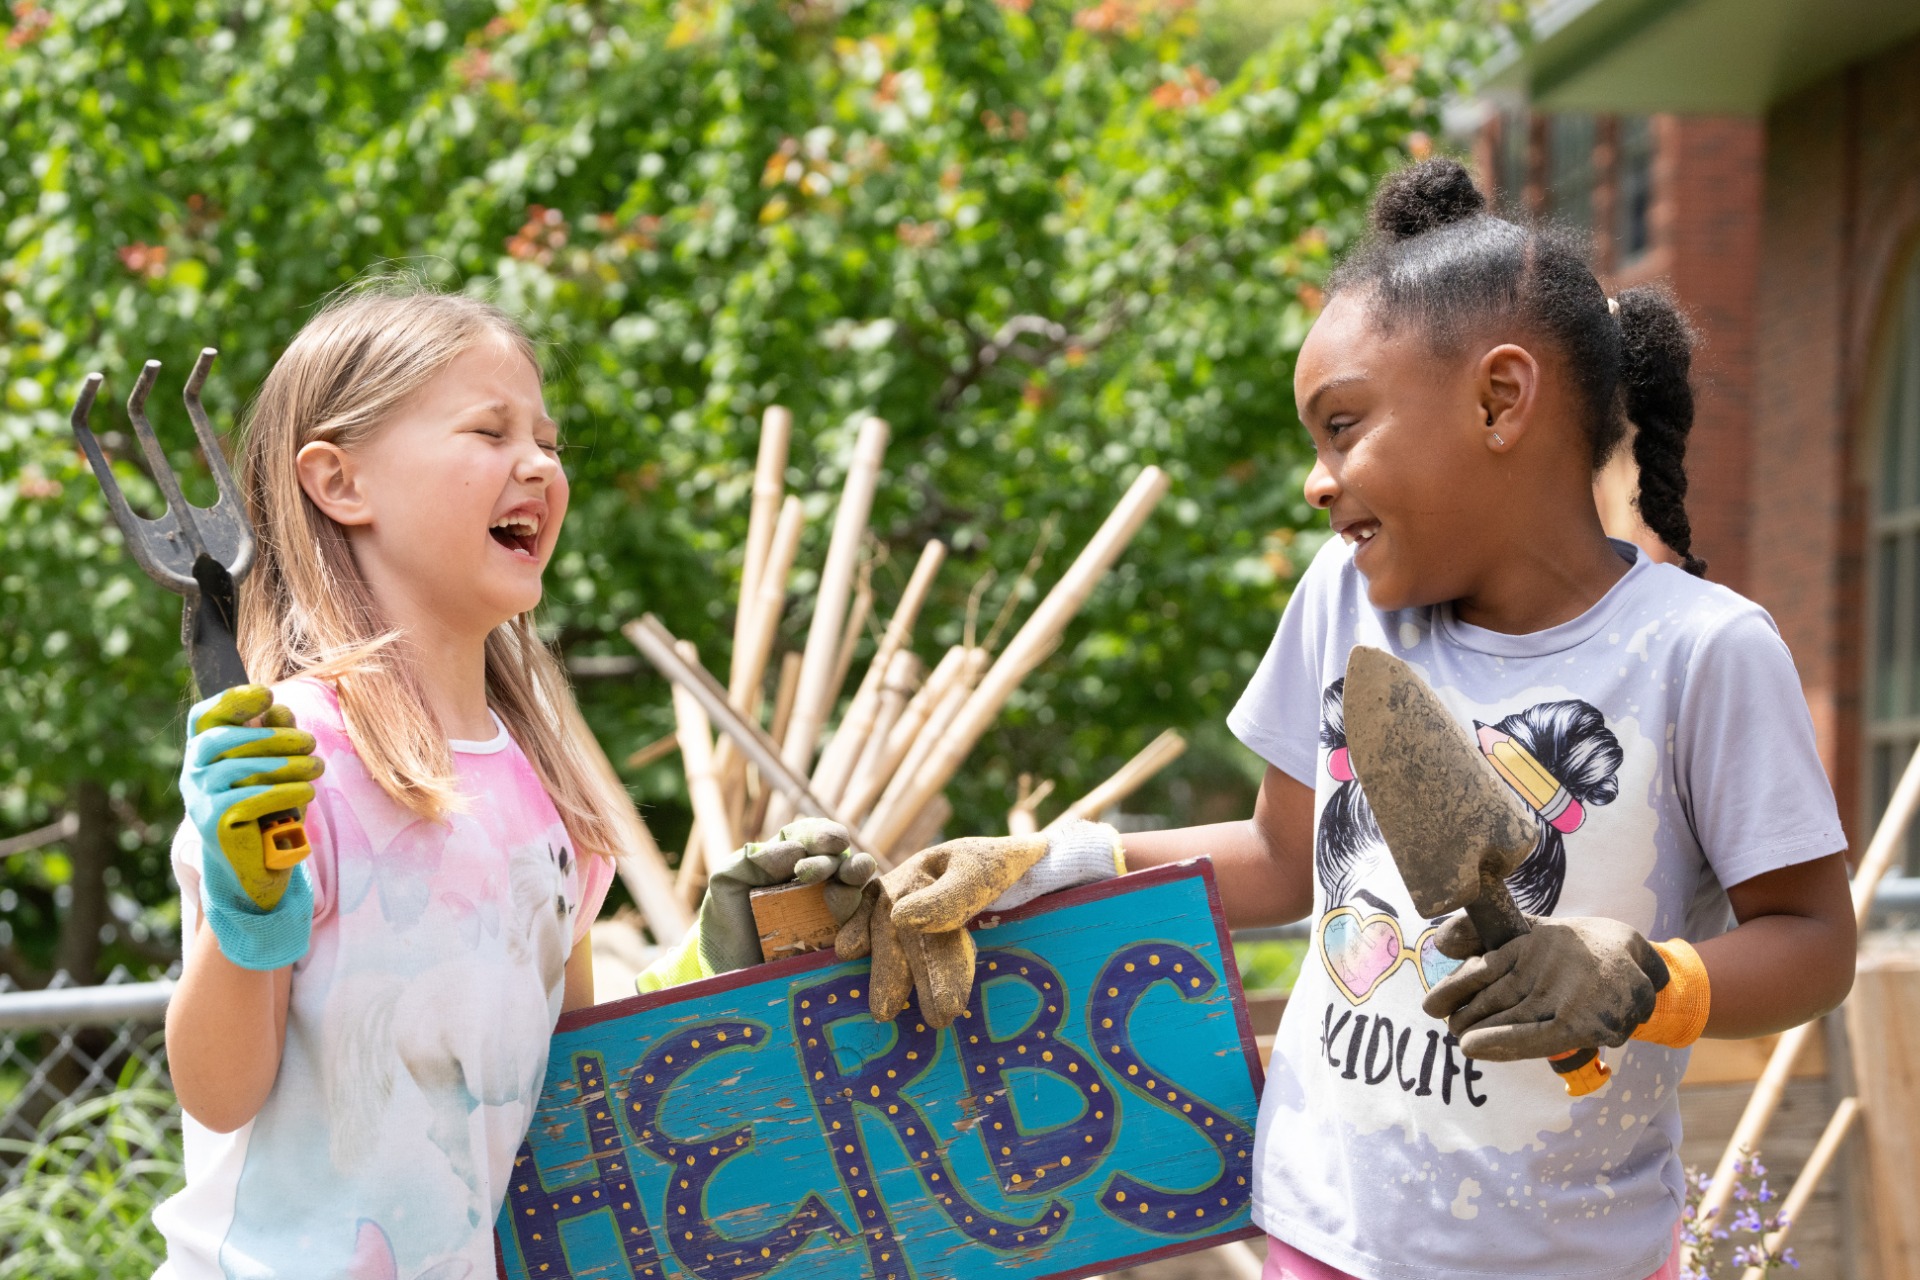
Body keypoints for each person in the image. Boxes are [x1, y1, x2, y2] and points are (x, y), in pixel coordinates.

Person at [842, 159, 1857, 1280]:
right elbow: (1285, 856)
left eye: (1344, 427)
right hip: (1321, 1231)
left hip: (1570, 1254)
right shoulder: (1345, 600)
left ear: (1499, 399)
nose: (1318, 484)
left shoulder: (1700, 652)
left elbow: (1815, 941)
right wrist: (1055, 857)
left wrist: (1653, 980)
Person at [150, 283, 868, 1279]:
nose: (537, 462)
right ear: (339, 481)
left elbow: (572, 1085)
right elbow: (219, 1092)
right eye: (488, 431)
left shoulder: (546, 789)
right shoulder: (286, 759)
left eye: (547, 440)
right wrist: (248, 918)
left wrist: (713, 969)